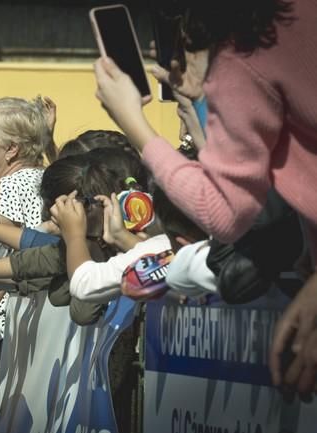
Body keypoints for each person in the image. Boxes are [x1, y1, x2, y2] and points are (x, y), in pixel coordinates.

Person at [93, 0, 317, 395]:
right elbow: (240, 175)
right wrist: (201, 103)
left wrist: (133, 124)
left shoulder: (241, 53)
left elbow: (225, 212)